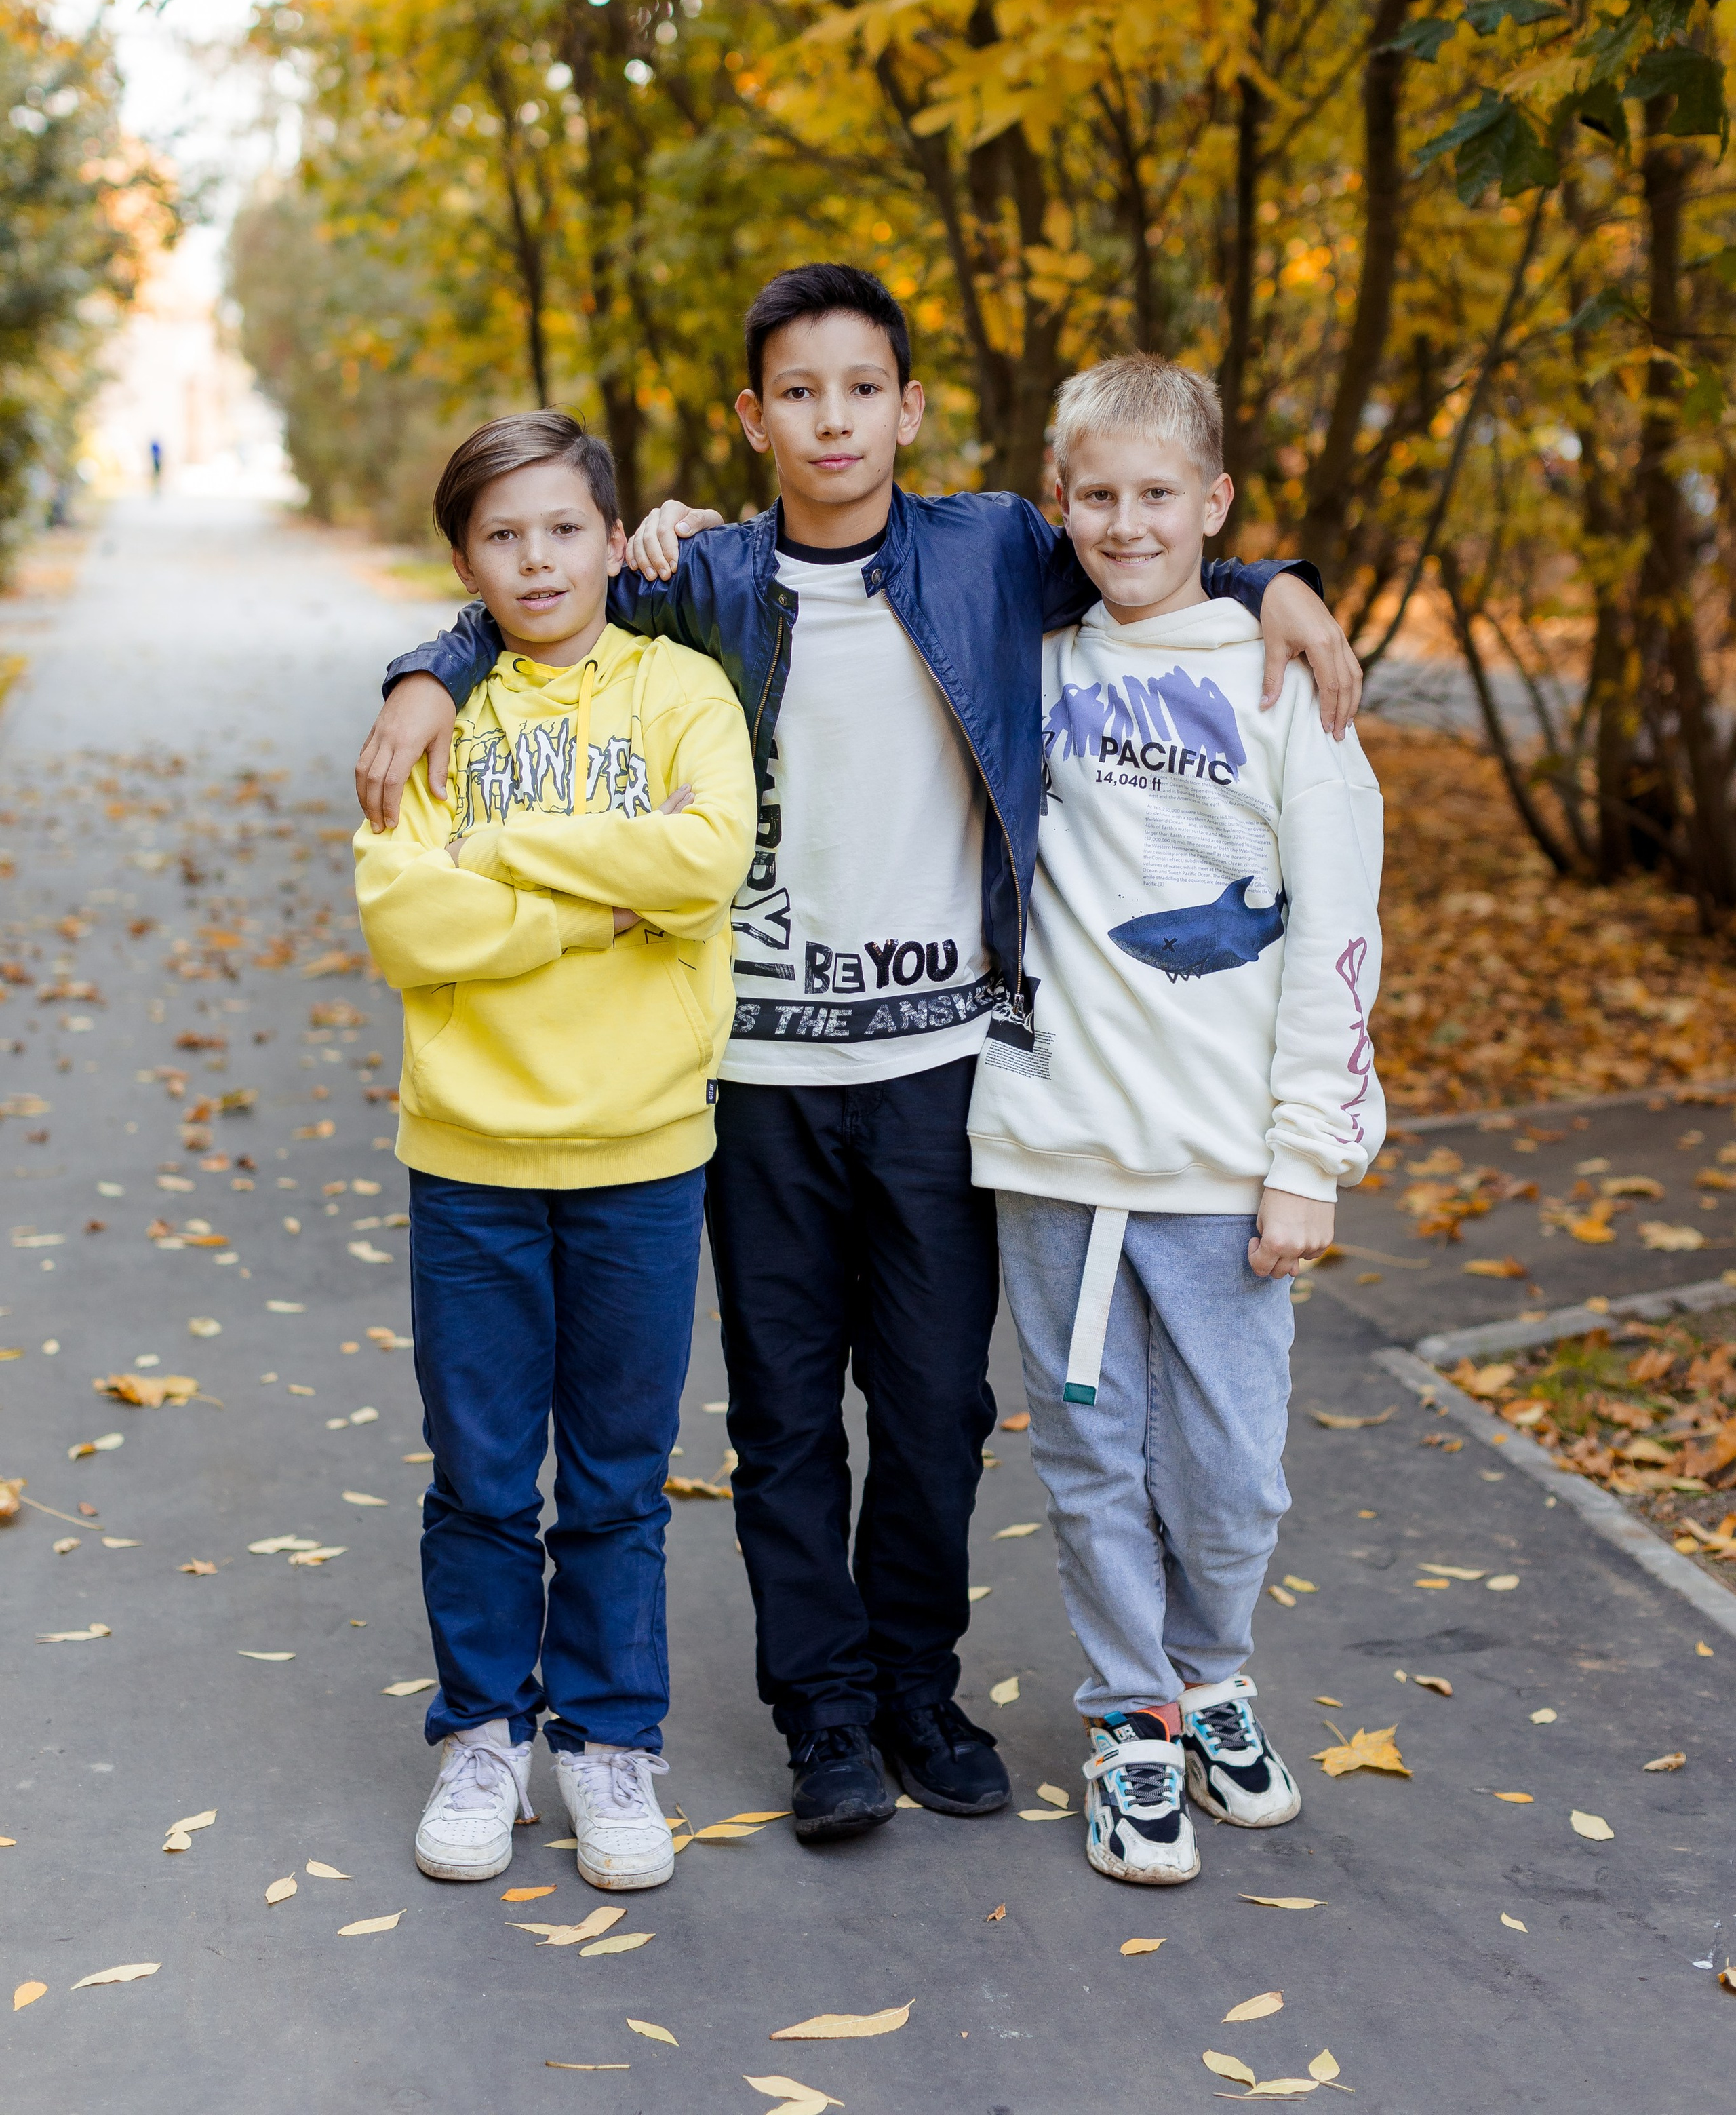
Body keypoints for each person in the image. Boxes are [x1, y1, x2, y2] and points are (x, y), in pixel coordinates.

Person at [353, 265, 1362, 1845]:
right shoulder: (698, 579)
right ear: (754, 419)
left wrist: (1275, 581)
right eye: (796, 393)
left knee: (935, 1407)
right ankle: (820, 1711)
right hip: (755, 1080)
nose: (831, 418)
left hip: (941, 1071)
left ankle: (915, 1686)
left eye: (860, 388)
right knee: (782, 1419)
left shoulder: (987, 550)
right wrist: (428, 672)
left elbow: (1146, 545)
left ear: (908, 406)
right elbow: (530, 594)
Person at [967, 353, 1383, 1889]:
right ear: (1056, 505)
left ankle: (1213, 1677)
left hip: (1223, 1169)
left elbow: (1341, 931)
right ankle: (1128, 1716)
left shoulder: (1287, 682)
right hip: (1052, 1150)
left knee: (1230, 1469)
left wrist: (1308, 1159)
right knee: (1089, 1457)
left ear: (1213, 502)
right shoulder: (1030, 654)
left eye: (1159, 495)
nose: (1126, 523)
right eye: (1096, 497)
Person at [352, 410, 755, 1893]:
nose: (536, 559)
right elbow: (408, 920)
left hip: (644, 1152)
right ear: (464, 561)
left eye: (562, 529)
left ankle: (606, 1744)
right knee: (476, 1473)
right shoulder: (432, 716)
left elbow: (706, 859)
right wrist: (601, 900)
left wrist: (501, 856)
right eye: (501, 536)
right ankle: (481, 1733)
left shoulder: (685, 692)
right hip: (469, 1158)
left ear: (609, 539)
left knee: (616, 1478)